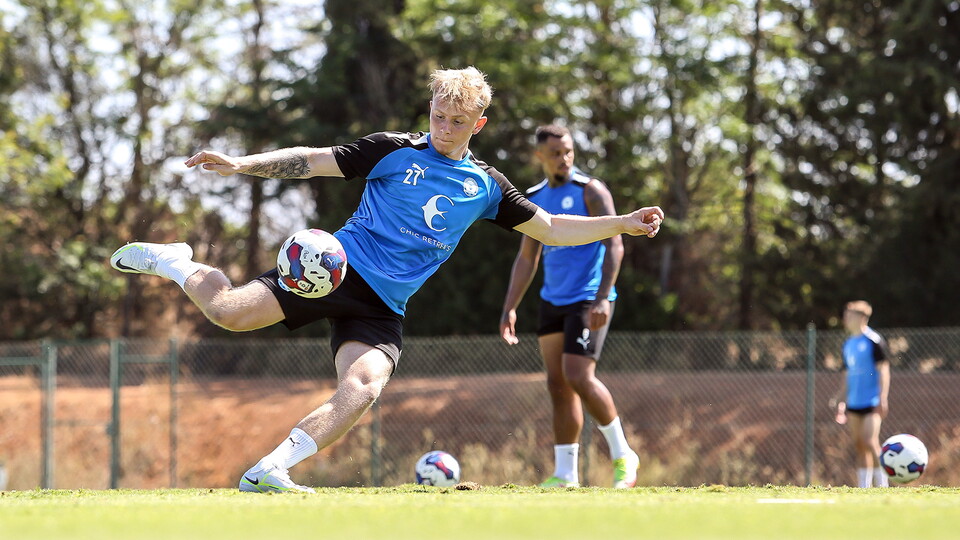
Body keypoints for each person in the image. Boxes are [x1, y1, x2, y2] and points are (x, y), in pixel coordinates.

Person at [110, 67, 664, 493]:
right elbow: (311, 159)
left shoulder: (485, 186)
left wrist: (622, 223)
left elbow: (551, 229)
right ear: (431, 110)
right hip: (332, 272)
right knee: (228, 313)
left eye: (457, 121)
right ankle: (176, 262)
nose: (444, 128)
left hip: (383, 307)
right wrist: (242, 163)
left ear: (478, 124)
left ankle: (270, 469)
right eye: (439, 116)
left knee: (363, 387)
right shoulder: (392, 150)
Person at [498, 124, 638, 489]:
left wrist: (603, 296)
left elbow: (615, 243)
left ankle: (624, 454)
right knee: (558, 384)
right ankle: (565, 474)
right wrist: (510, 306)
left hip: (588, 299)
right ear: (540, 156)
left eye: (569, 152)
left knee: (578, 376)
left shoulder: (591, 190)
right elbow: (527, 257)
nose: (565, 159)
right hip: (552, 301)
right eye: (556, 154)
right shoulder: (532, 197)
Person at [829, 300, 891, 488]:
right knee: (859, 444)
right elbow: (847, 375)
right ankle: (864, 487)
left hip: (872, 401)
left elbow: (884, 369)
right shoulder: (848, 344)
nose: (846, 319)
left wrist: (882, 397)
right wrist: (841, 399)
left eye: (850, 316)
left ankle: (882, 485)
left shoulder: (873, 340)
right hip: (854, 402)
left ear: (862, 317)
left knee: (870, 441)